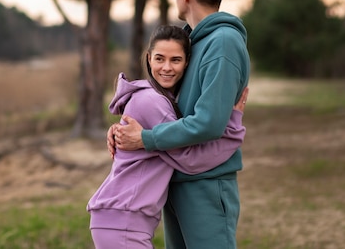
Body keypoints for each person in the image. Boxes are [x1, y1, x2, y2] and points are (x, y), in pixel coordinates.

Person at [110, 0, 251, 249]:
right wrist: (123, 130)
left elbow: (208, 123)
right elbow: (167, 106)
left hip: (207, 184)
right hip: (175, 179)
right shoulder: (190, 42)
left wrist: (146, 139)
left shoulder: (223, 43)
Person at [88, 24, 247, 249]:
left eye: (176, 60)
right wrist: (233, 125)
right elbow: (191, 160)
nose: (166, 68)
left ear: (187, 63)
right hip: (123, 221)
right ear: (149, 58)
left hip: (121, 219)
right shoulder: (152, 101)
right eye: (160, 59)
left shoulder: (153, 98)